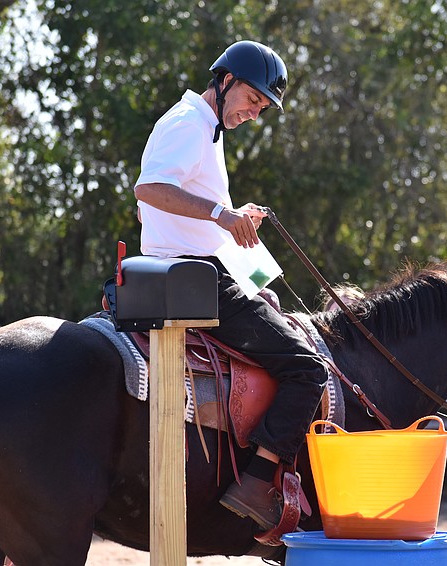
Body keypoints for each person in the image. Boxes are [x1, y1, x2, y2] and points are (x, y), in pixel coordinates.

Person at [133, 40, 328, 531]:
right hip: (196, 278)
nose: (254, 113)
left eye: (261, 107)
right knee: (308, 369)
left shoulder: (205, 128)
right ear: (225, 81)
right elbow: (149, 189)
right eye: (253, 100)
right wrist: (223, 215)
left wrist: (235, 217)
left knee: (274, 301)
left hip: (202, 268)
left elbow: (193, 206)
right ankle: (259, 480)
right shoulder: (189, 125)